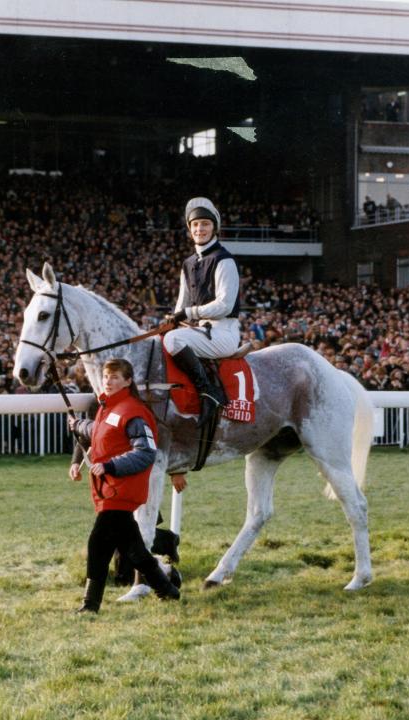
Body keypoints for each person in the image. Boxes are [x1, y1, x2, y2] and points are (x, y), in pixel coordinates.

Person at [67, 358, 180, 613]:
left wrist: (110, 466)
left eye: (116, 377)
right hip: (109, 489)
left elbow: (146, 452)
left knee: (98, 543)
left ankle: (90, 605)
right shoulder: (107, 408)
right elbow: (99, 430)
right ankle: (167, 590)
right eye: (107, 376)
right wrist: (78, 426)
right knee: (135, 550)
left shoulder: (134, 411)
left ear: (128, 382)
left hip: (121, 490)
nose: (109, 381)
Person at [163, 197, 241, 426]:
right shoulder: (188, 263)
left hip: (223, 332)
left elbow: (225, 304)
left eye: (205, 224)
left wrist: (188, 314)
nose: (200, 229)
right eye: (195, 225)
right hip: (200, 332)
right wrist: (172, 319)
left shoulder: (224, 260)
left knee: (173, 339)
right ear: (190, 230)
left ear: (214, 228)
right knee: (163, 338)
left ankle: (209, 394)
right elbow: (181, 304)